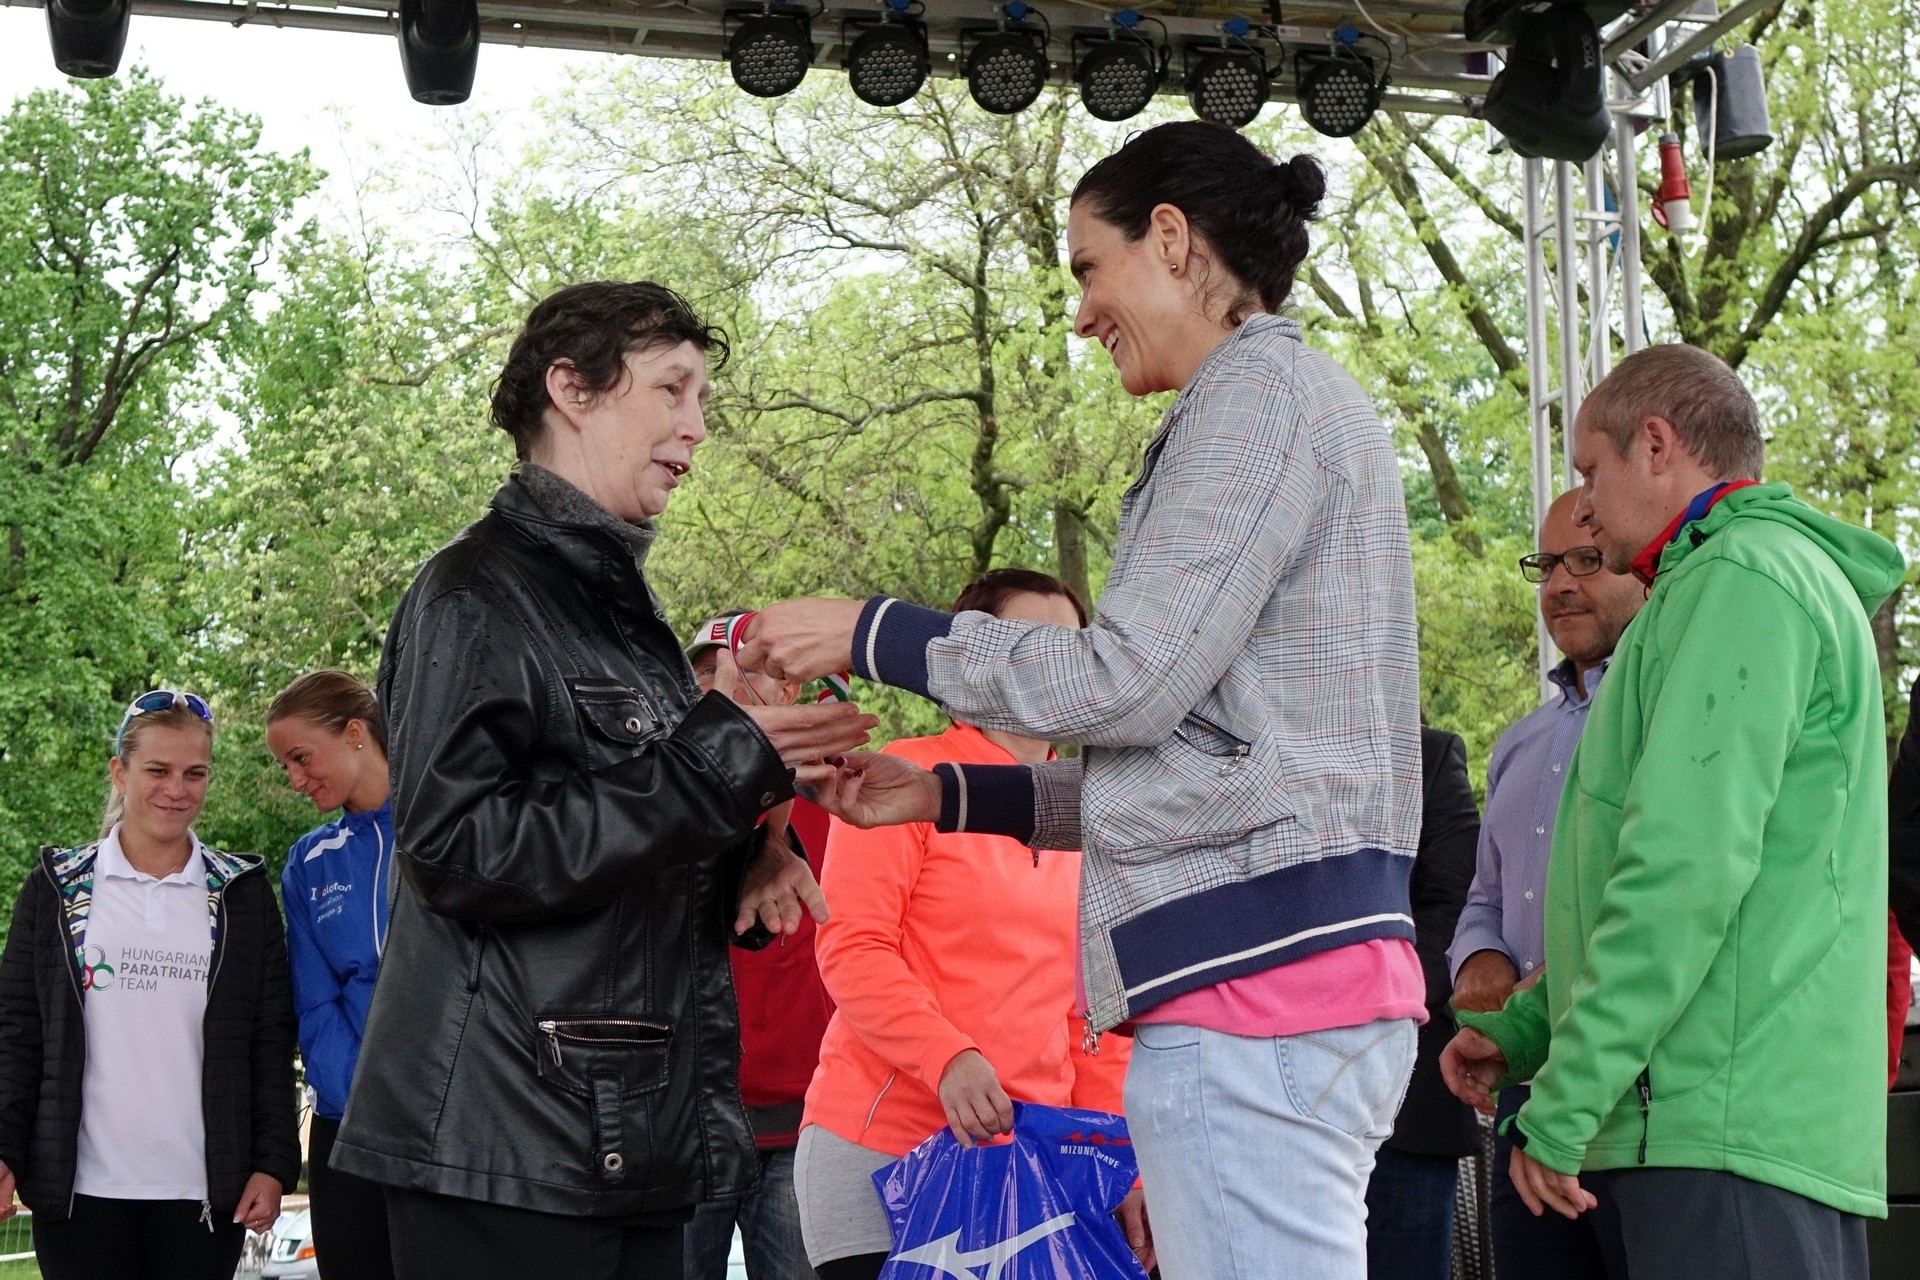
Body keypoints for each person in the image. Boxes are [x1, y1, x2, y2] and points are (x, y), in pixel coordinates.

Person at [742, 122, 1424, 1280]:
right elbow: (1195, 767)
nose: (1080, 313)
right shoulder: (1267, 400)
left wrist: (874, 629)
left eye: (1088, 268)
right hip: (1261, 986)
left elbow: (1127, 682)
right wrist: (950, 795)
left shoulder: (1257, 399)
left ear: (1172, 240)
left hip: (1258, 992)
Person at [328, 282, 878, 1280]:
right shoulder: (474, 593)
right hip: (509, 1146)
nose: (697, 425)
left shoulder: (623, 611)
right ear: (572, 390)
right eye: (672, 389)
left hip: (618, 1136)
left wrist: (749, 860)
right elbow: (458, 850)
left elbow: (613, 838)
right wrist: (722, 759)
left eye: (701, 398)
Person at [1441, 344, 1900, 1280]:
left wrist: (1565, 1100)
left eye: (1590, 473)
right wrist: (1529, 1031)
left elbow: (1683, 875)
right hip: (1706, 1124)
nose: (1586, 506)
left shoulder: (1743, 580)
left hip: (1725, 1130)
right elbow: (1650, 884)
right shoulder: (1714, 587)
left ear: (1656, 445)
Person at [791, 569, 1136, 1280]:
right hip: (886, 1145)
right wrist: (947, 1056)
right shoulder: (905, 778)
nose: (1051, 662)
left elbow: (1095, 1016)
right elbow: (854, 947)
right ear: (973, 658)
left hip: (1037, 1160)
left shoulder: (1099, 809)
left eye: (1071, 646)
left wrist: (1118, 1155)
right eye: (1028, 641)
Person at [0, 690, 299, 1280]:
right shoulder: (57, 887)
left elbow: (269, 1038)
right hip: (79, 1195)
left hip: (204, 1198)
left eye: (195, 773)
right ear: (120, 772)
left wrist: (273, 1162)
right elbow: (17, 1032)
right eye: (158, 770)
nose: (176, 789)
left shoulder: (241, 893)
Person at [1443, 488, 1644, 1279]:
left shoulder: (1663, 718)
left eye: (1586, 560)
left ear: (1638, 564)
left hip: (1631, 1080)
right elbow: (1485, 898)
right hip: (1526, 1084)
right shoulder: (1519, 745)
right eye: (1548, 564)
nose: (1560, 584)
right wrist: (1480, 959)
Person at [681, 614, 834, 1280]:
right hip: (686, 1121)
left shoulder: (842, 799)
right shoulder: (662, 807)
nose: (722, 687)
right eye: (706, 676)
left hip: (805, 1120)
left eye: (751, 674)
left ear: (791, 691)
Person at [267, 670, 398, 1280]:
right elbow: (315, 1005)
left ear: (353, 733)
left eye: (301, 758)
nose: (295, 780)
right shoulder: (308, 863)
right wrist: (362, 1101)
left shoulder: (448, 828)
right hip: (347, 1126)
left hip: (452, 1121)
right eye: (285, 767)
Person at [1364, 725, 1480, 1280]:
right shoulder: (1266, 757)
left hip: (1406, 1107)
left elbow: (1456, 913)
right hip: (1274, 1102)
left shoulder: (1427, 757)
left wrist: (1353, 1004)